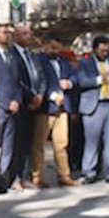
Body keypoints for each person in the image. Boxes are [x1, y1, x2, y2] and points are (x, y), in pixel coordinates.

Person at [77, 35, 109, 184]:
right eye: (102, 50)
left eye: (107, 50)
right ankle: (89, 172)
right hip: (94, 105)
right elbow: (82, 82)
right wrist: (102, 78)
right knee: (91, 141)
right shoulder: (85, 63)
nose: (105, 53)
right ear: (95, 49)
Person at [30, 33, 76, 187]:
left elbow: (75, 77)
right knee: (39, 144)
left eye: (57, 47)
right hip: (45, 107)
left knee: (62, 143)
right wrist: (52, 95)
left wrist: (69, 83)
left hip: (62, 108)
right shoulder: (38, 60)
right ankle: (36, 176)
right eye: (52, 47)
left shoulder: (64, 61)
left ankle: (64, 175)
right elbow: (39, 81)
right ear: (45, 45)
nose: (55, 50)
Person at [10, 25, 45, 189]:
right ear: (15, 36)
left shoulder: (32, 55)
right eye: (25, 33)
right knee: (18, 142)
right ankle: (15, 176)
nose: (29, 36)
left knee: (28, 142)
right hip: (22, 103)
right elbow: (17, 80)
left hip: (35, 104)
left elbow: (40, 76)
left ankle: (25, 176)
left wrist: (40, 95)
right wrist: (31, 96)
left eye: (30, 33)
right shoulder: (11, 54)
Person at [0, 23, 22, 191]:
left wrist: (17, 100)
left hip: (13, 105)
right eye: (2, 33)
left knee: (9, 143)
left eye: (8, 33)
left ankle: (3, 176)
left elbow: (17, 82)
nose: (6, 36)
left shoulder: (12, 57)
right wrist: (5, 102)